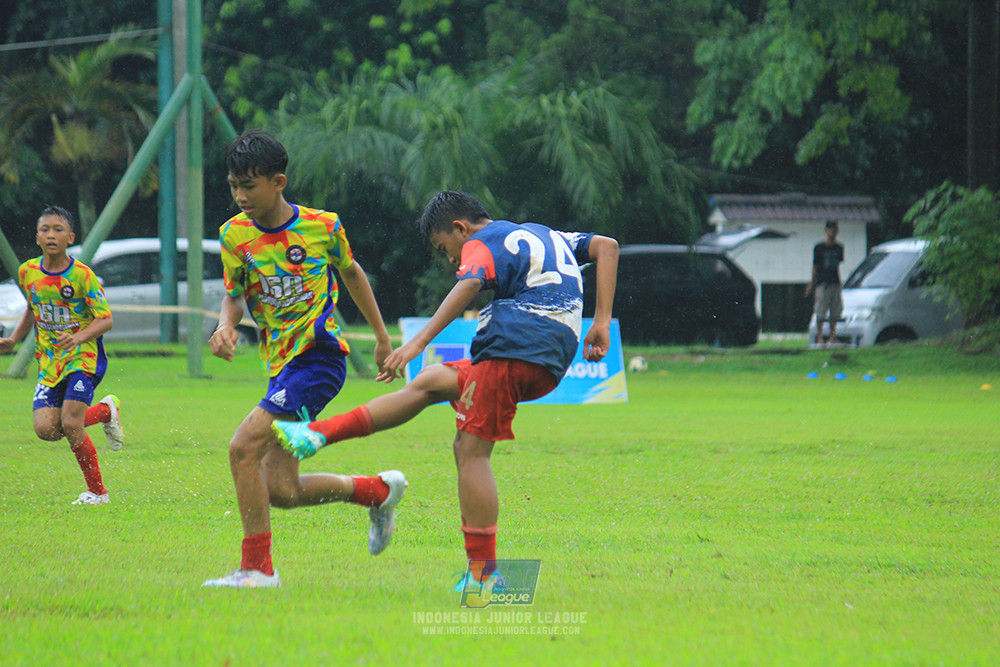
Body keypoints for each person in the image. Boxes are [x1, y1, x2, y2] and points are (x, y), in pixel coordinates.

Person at [273, 190, 619, 589]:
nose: (452, 259)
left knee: (470, 451)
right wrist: (601, 321)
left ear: (460, 228)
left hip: (516, 344)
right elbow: (606, 248)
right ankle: (316, 434)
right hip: (549, 351)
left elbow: (469, 284)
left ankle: (484, 577)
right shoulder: (545, 234)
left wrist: (418, 343)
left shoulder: (481, 241)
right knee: (428, 384)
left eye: (445, 248)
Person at [201, 130, 405, 590]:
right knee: (282, 491)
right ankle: (377, 491)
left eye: (249, 186)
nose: (240, 196)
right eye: (234, 186)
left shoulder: (322, 226)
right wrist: (225, 326)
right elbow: (234, 293)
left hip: (318, 359)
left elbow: (352, 273)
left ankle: (258, 569)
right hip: (280, 367)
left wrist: (380, 338)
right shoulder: (233, 235)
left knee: (242, 448)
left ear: (279, 181)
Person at [0, 206, 125, 505]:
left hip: (84, 356)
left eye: (58, 230)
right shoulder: (27, 272)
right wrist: (14, 339)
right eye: (45, 229)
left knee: (71, 423)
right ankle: (107, 411)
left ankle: (97, 492)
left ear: (70, 237)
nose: (51, 235)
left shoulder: (82, 276)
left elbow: (105, 319)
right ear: (37, 237)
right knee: (46, 430)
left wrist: (79, 337)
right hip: (50, 361)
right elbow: (33, 306)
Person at [806, 220, 845, 345]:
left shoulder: (839, 248)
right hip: (822, 283)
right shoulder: (819, 248)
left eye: (834, 229)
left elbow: (838, 265)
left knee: (835, 312)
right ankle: (819, 337)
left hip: (835, 282)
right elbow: (815, 266)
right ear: (826, 231)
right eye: (830, 229)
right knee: (820, 311)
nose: (832, 232)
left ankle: (832, 337)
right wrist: (812, 283)